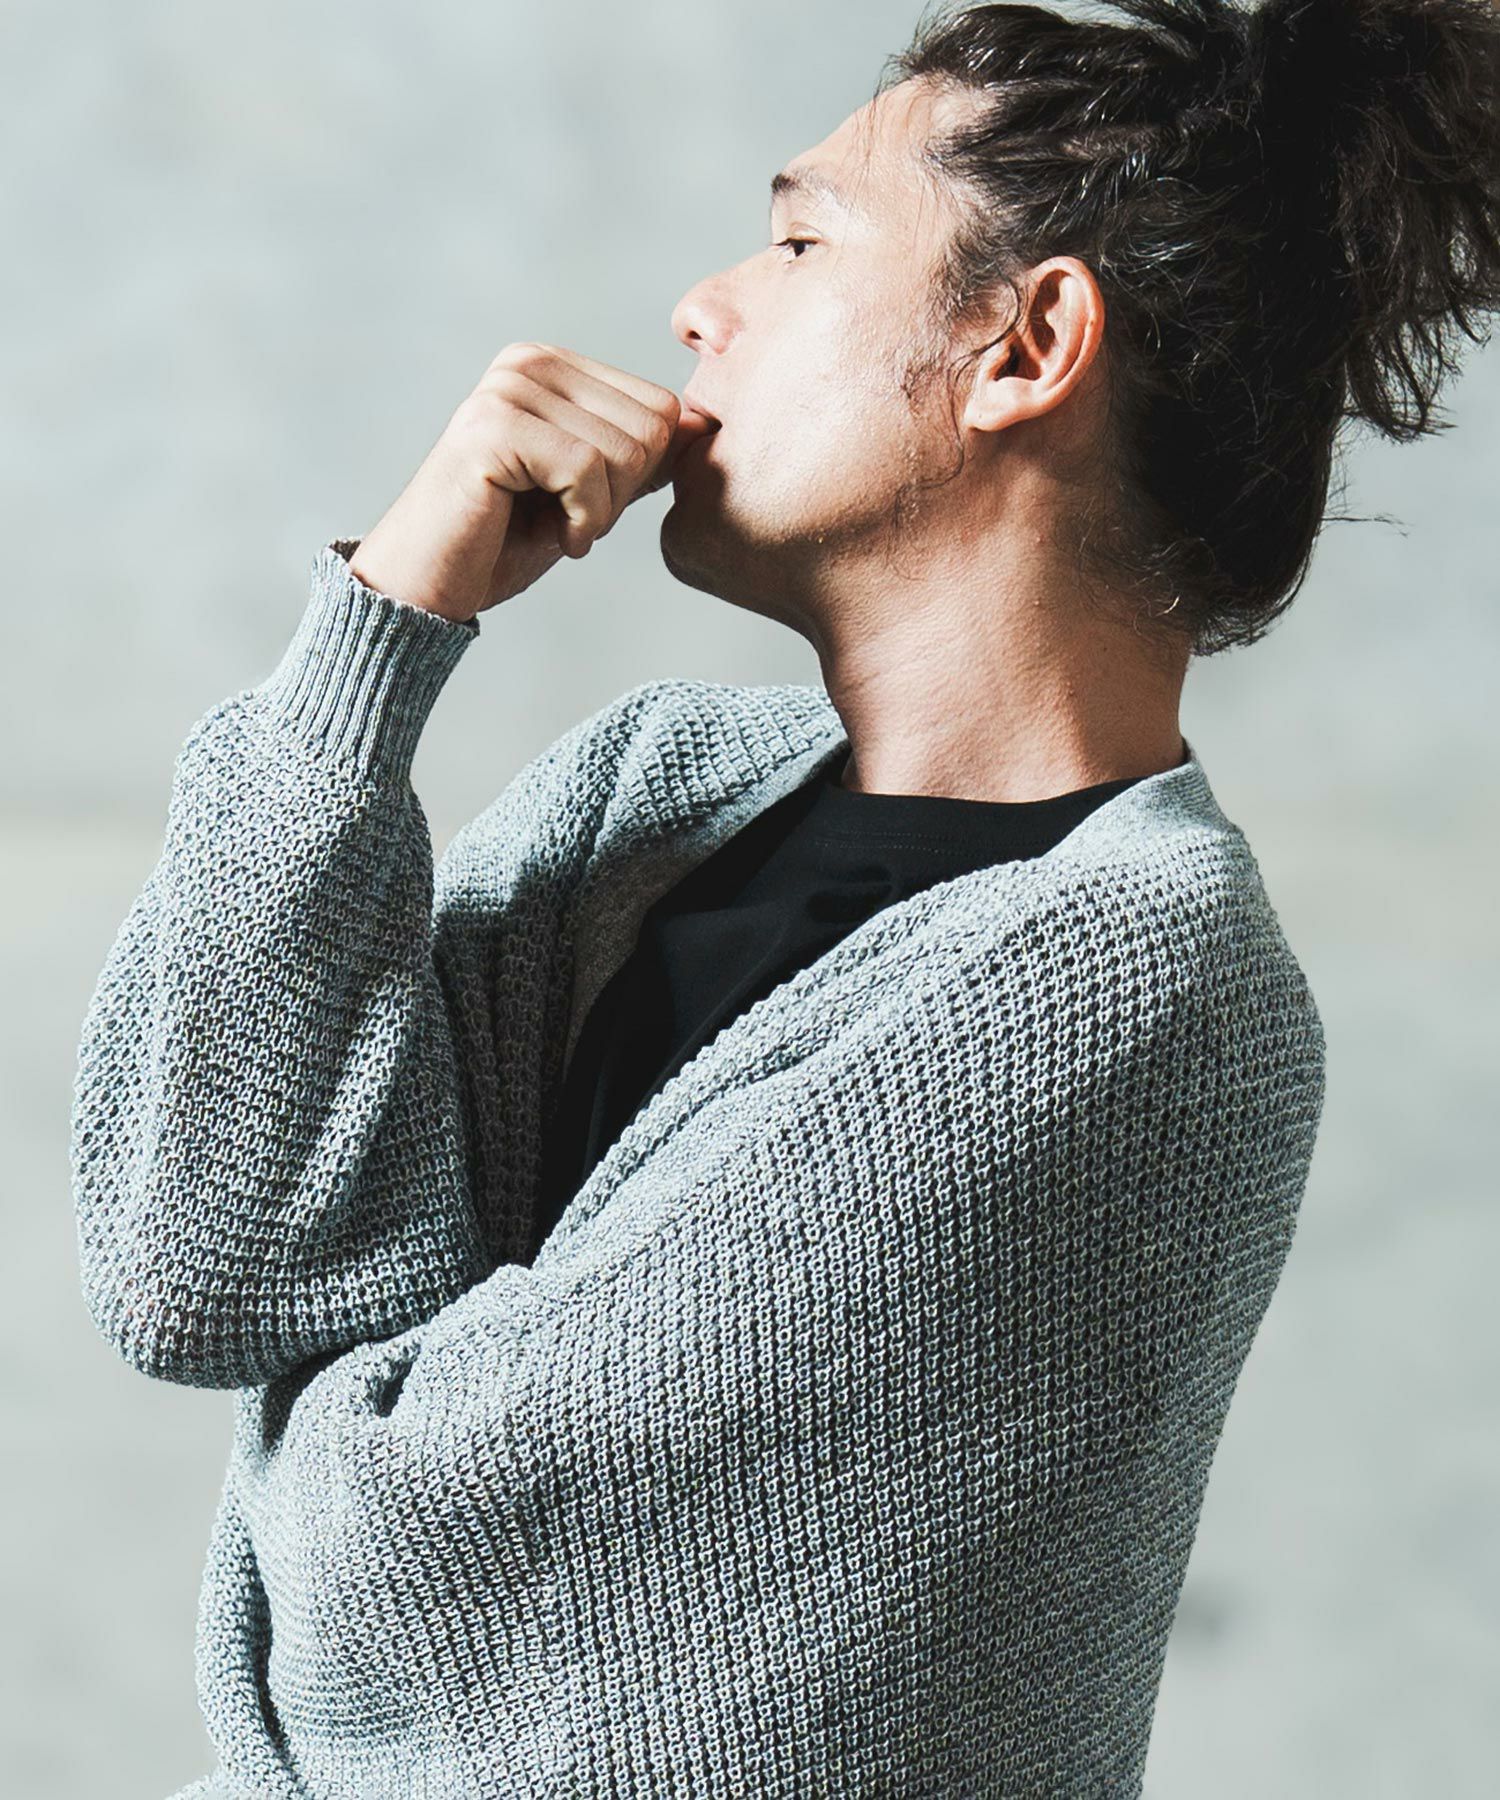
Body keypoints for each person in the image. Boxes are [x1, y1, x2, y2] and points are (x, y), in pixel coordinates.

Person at [71, 0, 1500, 1793]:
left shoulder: (1143, 982)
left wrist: (327, 1412)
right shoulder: (650, 787)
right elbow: (200, 1268)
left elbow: (419, 1573)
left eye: (803, 243)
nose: (703, 305)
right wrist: (381, 632)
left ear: (1027, 344)